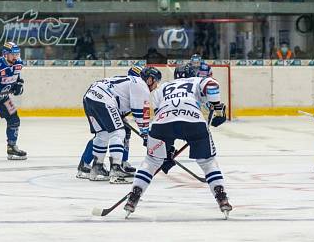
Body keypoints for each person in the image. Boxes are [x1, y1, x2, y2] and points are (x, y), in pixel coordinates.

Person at [124, 63, 232, 219]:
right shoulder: (196, 80)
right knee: (207, 162)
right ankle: (221, 197)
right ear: (192, 74)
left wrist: (167, 150)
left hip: (161, 124)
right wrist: (217, 107)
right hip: (193, 121)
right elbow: (212, 84)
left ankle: (134, 196)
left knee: (152, 161)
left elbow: (158, 112)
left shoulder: (161, 88)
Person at [82, 66, 161, 183]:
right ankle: (116, 169)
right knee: (118, 132)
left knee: (102, 134)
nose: (156, 86)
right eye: (156, 82)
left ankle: (97, 168)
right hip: (104, 99)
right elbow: (140, 113)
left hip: (90, 96)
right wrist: (145, 134)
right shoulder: (141, 85)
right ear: (150, 80)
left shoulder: (130, 81)